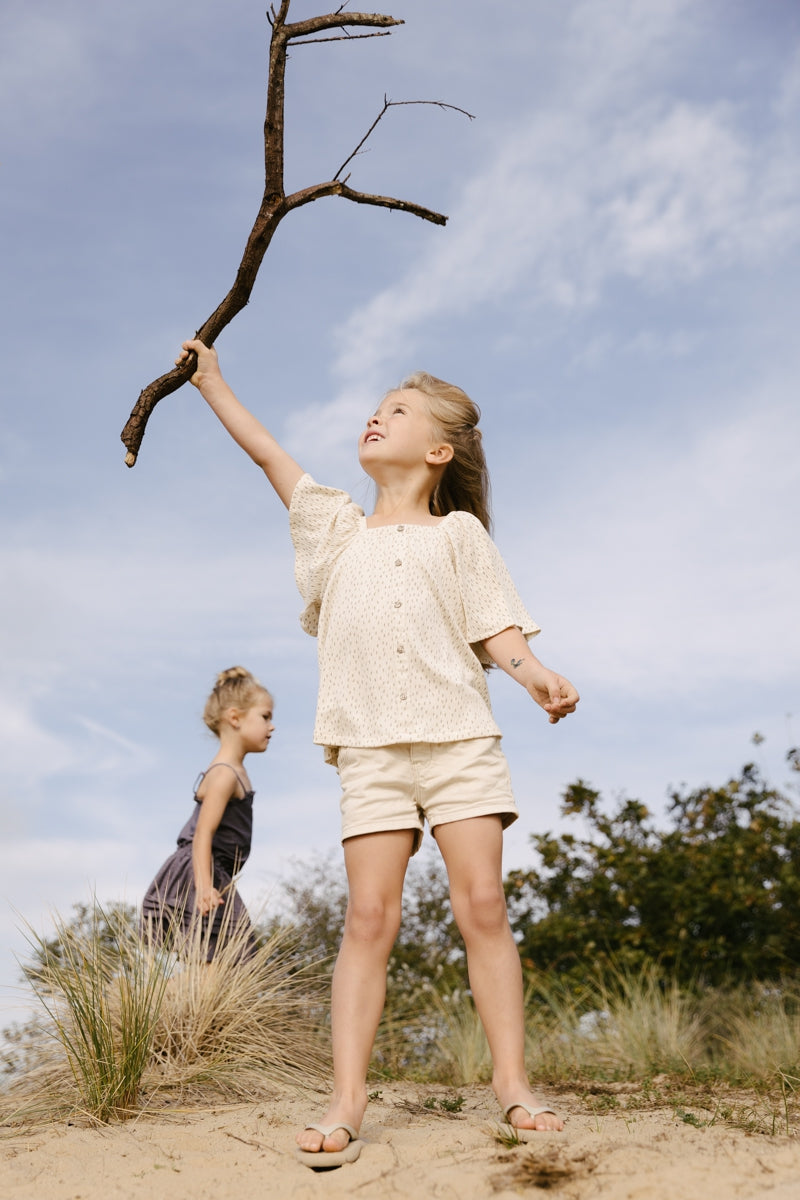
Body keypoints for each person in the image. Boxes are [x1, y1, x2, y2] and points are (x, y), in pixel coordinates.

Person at [176, 339, 579, 1164]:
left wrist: (535, 674)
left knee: (485, 910)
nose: (375, 416)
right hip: (368, 749)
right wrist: (212, 379)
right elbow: (266, 454)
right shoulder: (334, 528)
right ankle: (347, 1097)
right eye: (375, 407)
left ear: (438, 450)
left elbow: (495, 624)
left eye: (397, 411)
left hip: (460, 741)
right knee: (368, 919)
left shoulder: (460, 534)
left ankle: (512, 1084)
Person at [142, 666, 274, 961]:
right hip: (199, 871)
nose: (272, 726)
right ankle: (140, 1001)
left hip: (213, 873)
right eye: (265, 717)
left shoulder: (234, 772)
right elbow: (203, 834)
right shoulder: (224, 775)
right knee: (233, 959)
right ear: (235, 717)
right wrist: (204, 886)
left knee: (219, 960)